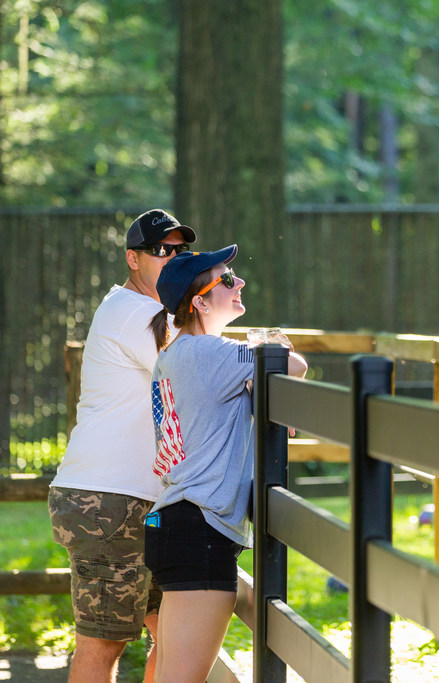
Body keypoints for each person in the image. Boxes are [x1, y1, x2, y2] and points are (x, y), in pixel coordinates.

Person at [143, 245, 307, 682]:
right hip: (201, 533)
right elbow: (292, 362)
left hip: (177, 525)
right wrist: (267, 347)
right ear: (199, 300)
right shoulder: (208, 355)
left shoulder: (177, 355)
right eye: (228, 279)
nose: (241, 284)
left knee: (172, 675)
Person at [49, 209, 197, 683]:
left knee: (174, 634)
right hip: (105, 501)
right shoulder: (135, 312)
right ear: (133, 259)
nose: (172, 257)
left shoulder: (157, 313)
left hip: (140, 501)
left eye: (180, 251)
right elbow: (201, 365)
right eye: (160, 250)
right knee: (103, 643)